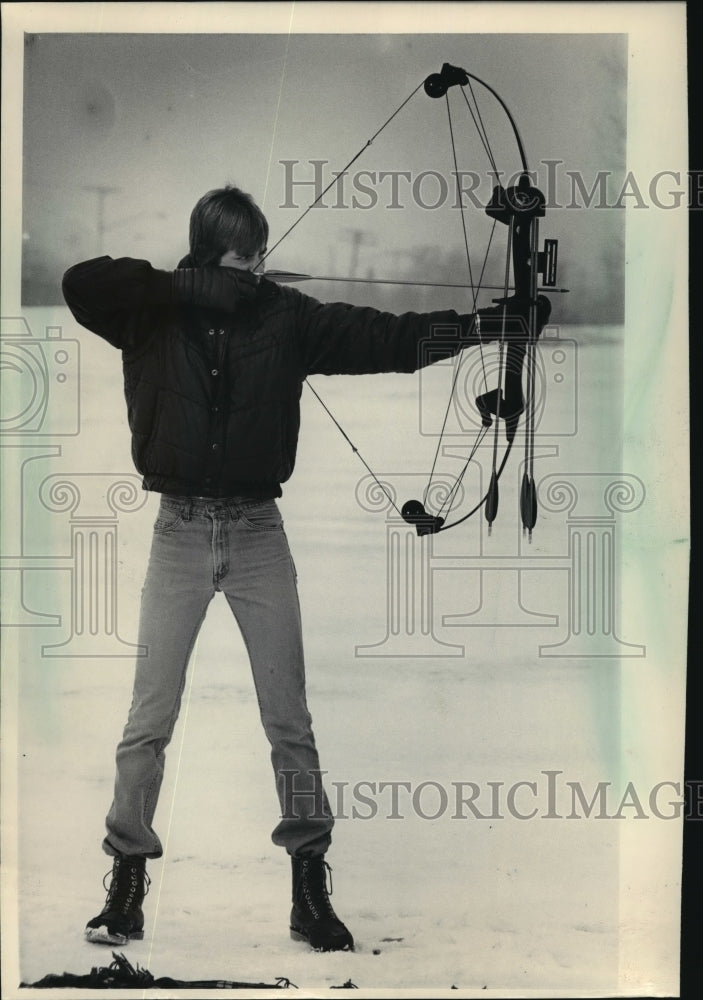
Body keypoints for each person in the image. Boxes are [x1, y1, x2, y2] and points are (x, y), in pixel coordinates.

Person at [62, 184, 549, 953]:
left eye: (261, 254)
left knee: (288, 721)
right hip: (179, 533)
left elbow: (384, 339)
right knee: (147, 722)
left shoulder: (285, 319)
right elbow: (80, 283)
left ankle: (308, 887)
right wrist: (189, 286)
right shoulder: (148, 313)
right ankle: (126, 883)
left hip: (258, 533)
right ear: (206, 256)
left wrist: (487, 328)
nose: (258, 268)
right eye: (242, 257)